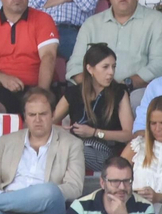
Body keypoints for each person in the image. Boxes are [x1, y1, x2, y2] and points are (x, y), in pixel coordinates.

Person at [67, 0, 162, 90]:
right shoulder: (91, 24)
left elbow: (160, 65)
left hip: (137, 91)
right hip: (94, 92)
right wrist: (96, 89)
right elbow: (75, 66)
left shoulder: (157, 21)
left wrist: (125, 85)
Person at [51, 44, 133, 173]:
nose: (111, 72)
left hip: (104, 151)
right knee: (61, 147)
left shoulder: (119, 92)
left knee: (71, 150)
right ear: (90, 69)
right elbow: (48, 123)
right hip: (75, 144)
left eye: (113, 67)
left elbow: (128, 134)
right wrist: (62, 130)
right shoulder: (74, 92)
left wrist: (94, 132)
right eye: (105, 67)